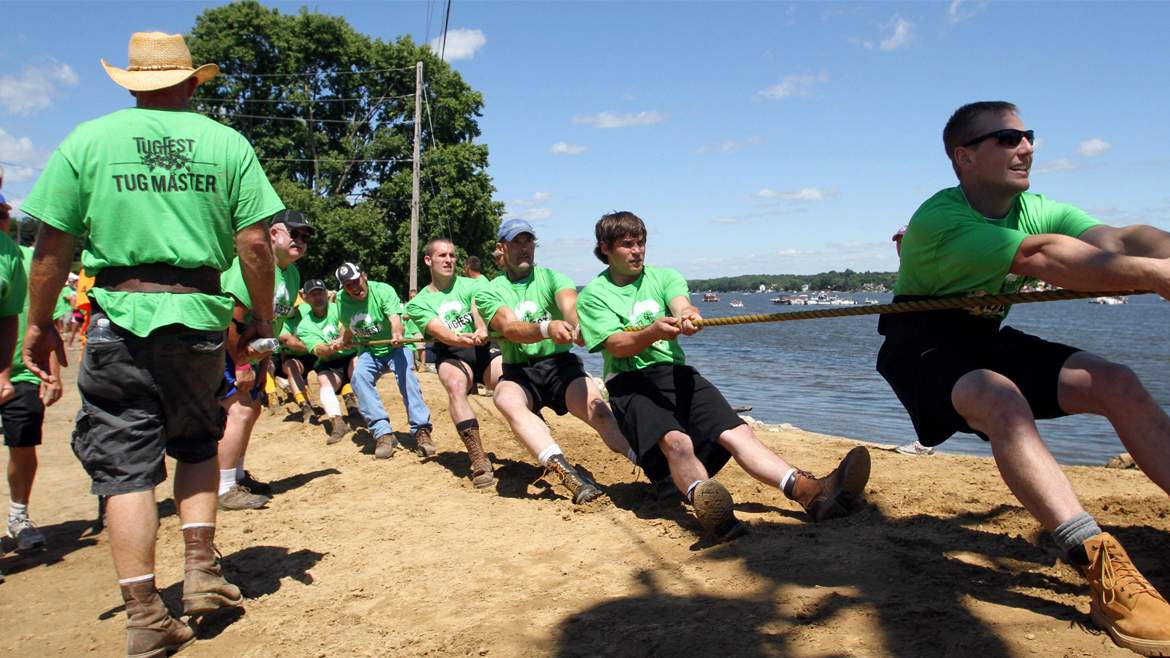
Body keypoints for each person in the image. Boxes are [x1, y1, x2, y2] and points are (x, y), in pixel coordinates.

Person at [19, 31, 280, 657]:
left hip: (116, 318)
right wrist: (259, 321)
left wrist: (38, 322)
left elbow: (51, 248)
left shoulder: (87, 140)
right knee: (197, 441)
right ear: (192, 83)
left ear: (132, 85)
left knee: (125, 467)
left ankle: (144, 614)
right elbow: (254, 246)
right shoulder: (226, 143)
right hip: (196, 319)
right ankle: (201, 574)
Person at [877, 101, 1170, 654]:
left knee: (1118, 381)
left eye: (1028, 135)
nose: (1027, 147)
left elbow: (1117, 239)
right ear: (964, 157)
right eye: (1007, 138)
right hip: (921, 342)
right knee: (1000, 398)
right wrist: (1156, 276)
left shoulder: (1033, 206)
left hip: (985, 337)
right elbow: (1048, 259)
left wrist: (1160, 254)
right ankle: (1098, 562)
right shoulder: (941, 220)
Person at [577, 211, 871, 543]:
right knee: (677, 441)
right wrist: (652, 332)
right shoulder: (593, 295)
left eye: (641, 243)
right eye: (627, 245)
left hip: (675, 373)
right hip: (629, 381)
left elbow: (681, 304)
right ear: (605, 248)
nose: (637, 252)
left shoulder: (664, 277)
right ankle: (715, 514)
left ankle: (809, 492)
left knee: (737, 432)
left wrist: (689, 315)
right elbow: (616, 345)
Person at [476, 219, 636, 504]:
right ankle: (566, 473)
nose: (524, 248)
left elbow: (569, 305)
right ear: (501, 248)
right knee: (505, 399)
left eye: (529, 242)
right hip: (519, 371)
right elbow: (509, 328)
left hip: (560, 367)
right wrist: (546, 328)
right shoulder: (490, 290)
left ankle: (654, 467)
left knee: (599, 413)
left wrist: (578, 327)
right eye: (517, 242)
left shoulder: (553, 277)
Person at [216, 209, 309, 510]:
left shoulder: (292, 274)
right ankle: (222, 486)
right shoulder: (253, 263)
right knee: (240, 412)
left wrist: (264, 361)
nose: (301, 241)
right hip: (229, 350)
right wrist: (241, 364)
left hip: (257, 353)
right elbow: (232, 319)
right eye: (294, 233)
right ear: (273, 234)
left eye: (305, 237)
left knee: (252, 410)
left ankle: (238, 476)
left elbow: (274, 324)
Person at [406, 239, 500, 488]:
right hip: (452, 351)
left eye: (452, 255)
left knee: (508, 383)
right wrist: (457, 337)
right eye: (442, 255)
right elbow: (438, 329)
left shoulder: (474, 283)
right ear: (428, 260)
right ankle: (478, 457)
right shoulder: (419, 303)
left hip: (483, 347)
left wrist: (480, 328)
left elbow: (477, 305)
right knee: (455, 385)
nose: (448, 260)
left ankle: (534, 425)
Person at [0, 203, 62, 554]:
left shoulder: (21, 257)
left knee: (22, 444)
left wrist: (52, 373)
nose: (3, 220)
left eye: (4, 213)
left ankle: (18, 514)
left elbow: (45, 320)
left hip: (24, 370)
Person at [335, 262, 433, 459]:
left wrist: (397, 334)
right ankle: (382, 433)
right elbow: (346, 324)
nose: (354, 287)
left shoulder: (383, 290)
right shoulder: (341, 299)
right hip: (368, 350)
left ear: (364, 276)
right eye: (348, 285)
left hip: (395, 347)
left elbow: (395, 319)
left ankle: (422, 430)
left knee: (407, 378)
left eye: (356, 281)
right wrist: (343, 341)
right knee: (358, 377)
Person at [294, 278, 362, 444]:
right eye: (313, 294)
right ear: (306, 298)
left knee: (358, 368)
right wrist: (331, 348)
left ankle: (371, 414)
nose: (318, 297)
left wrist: (341, 338)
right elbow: (317, 349)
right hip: (328, 362)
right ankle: (337, 422)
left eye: (320, 292)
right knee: (323, 380)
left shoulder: (339, 308)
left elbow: (345, 324)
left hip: (351, 355)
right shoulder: (304, 326)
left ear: (326, 293)